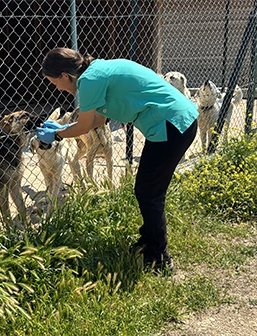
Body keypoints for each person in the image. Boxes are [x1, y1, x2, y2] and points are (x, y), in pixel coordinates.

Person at [37, 47, 198, 274]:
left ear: (65, 75)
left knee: (149, 193)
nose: (57, 88)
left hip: (171, 125)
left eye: (54, 82)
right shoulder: (97, 71)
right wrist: (62, 128)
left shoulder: (89, 81)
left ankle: (159, 259)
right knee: (147, 190)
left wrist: (57, 134)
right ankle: (148, 242)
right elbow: (97, 120)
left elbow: (83, 125)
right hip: (176, 120)